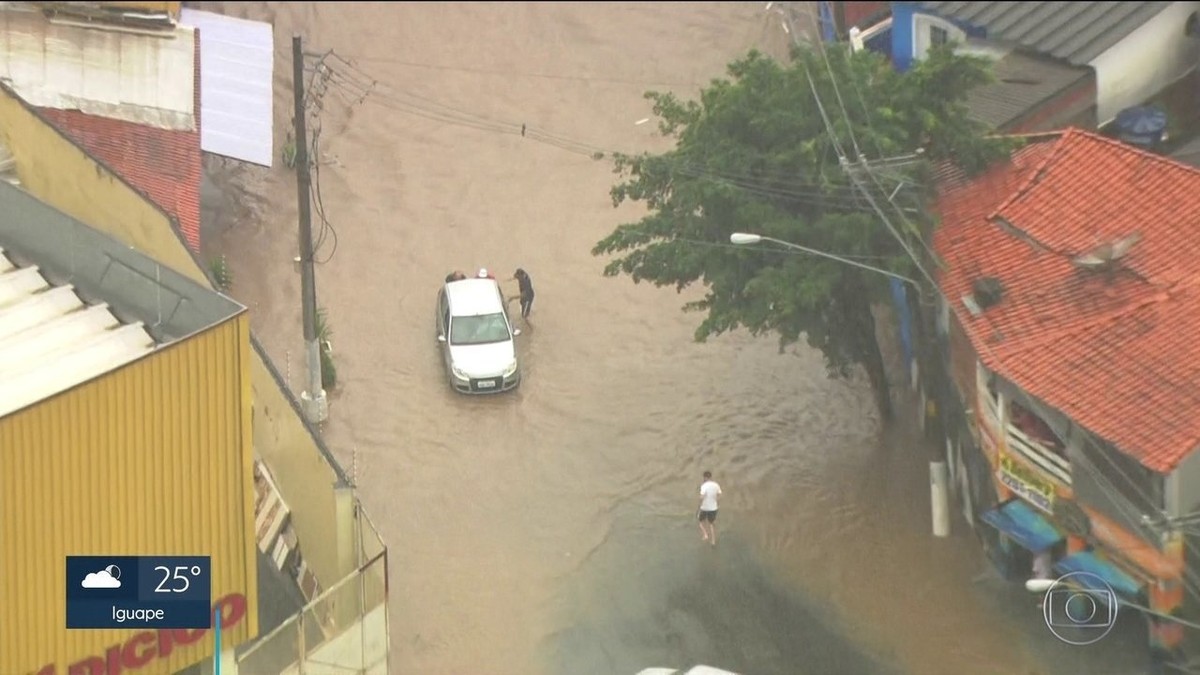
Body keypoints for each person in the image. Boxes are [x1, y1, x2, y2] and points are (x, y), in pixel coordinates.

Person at [697, 470, 722, 546]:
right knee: (711, 524)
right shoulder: (716, 485)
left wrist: (699, 503)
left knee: (700, 522)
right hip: (714, 508)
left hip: (705, 507)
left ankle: (705, 535)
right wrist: (716, 501)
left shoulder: (704, 486)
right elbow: (720, 495)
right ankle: (713, 541)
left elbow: (701, 496)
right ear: (711, 477)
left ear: (705, 478)